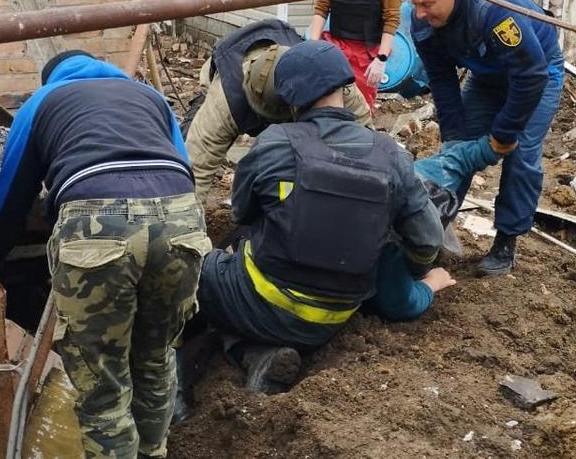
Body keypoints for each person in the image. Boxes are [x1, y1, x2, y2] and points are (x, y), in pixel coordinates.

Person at [0, 51, 211, 459]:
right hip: (181, 224)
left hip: (97, 226)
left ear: (51, 78)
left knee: (102, 384)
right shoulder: (148, 96)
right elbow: (183, 171)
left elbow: (6, 202)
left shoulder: (43, 101)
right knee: (154, 361)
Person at [190, 40, 447, 392]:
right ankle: (256, 355)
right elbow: (428, 238)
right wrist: (416, 273)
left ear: (288, 97)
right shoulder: (392, 156)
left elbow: (243, 213)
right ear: (343, 86)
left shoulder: (275, 142)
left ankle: (193, 371)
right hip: (333, 320)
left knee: (187, 268)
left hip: (260, 302)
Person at [407, 0, 564, 277]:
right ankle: (430, 230)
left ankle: (506, 242)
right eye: (415, 5)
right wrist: (453, 135)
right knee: (457, 149)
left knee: (520, 155)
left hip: (538, 74)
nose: (419, 13)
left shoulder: (495, 10)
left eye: (427, 4)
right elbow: (441, 78)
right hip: (486, 76)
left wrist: (504, 134)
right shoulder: (422, 19)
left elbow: (530, 76)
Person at [186, 17, 370, 204]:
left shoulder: (320, 75)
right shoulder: (223, 102)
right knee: (185, 151)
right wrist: (190, 226)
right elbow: (197, 169)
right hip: (225, 83)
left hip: (297, 92)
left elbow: (365, 134)